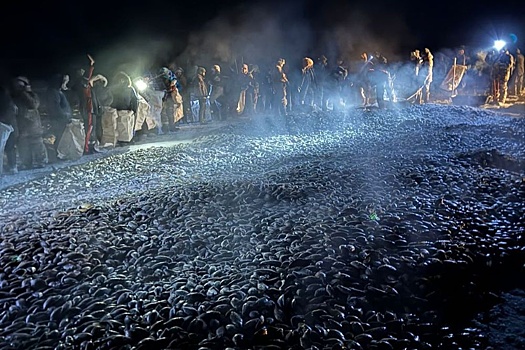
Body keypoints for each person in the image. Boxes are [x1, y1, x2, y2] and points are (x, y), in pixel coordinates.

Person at [10, 76, 48, 170]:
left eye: (20, 85)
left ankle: (41, 161)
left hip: (33, 124)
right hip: (21, 124)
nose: (17, 87)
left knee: (37, 144)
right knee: (23, 145)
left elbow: (33, 105)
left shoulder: (32, 95)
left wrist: (25, 92)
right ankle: (26, 163)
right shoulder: (13, 96)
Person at [45, 74, 72, 152]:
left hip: (61, 119)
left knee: (62, 137)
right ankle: (58, 153)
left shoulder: (57, 91)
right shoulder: (52, 92)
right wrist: (65, 115)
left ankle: (61, 152)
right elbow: (55, 108)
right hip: (58, 119)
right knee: (60, 136)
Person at [0, 86, 18, 174]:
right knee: (9, 147)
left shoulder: (4, 97)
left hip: (4, 125)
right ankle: (12, 166)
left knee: (5, 147)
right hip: (9, 125)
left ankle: (11, 166)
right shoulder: (8, 98)